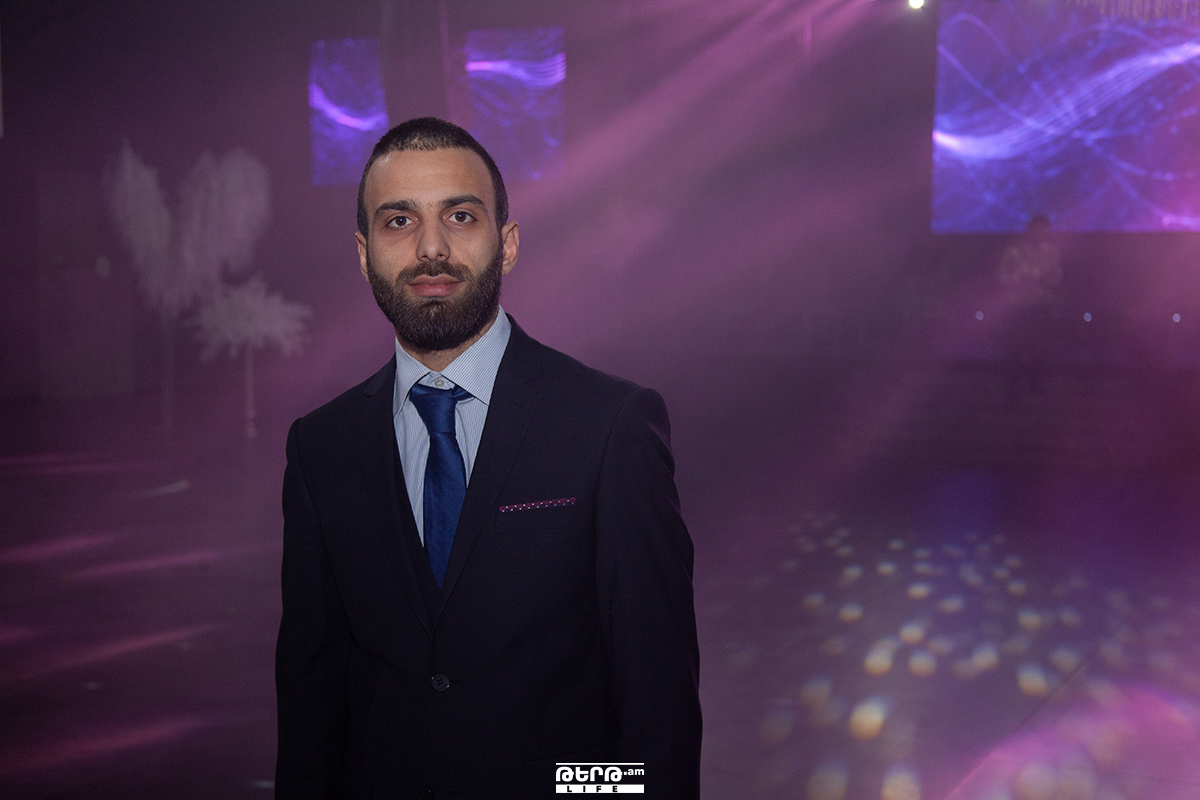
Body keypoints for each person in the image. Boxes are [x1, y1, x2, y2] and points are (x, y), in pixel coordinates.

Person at [275, 117, 702, 799]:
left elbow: (658, 705)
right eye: (399, 221)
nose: (431, 247)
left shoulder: (607, 425)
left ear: (507, 244)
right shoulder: (320, 447)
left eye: (460, 216)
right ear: (363, 253)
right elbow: (310, 706)